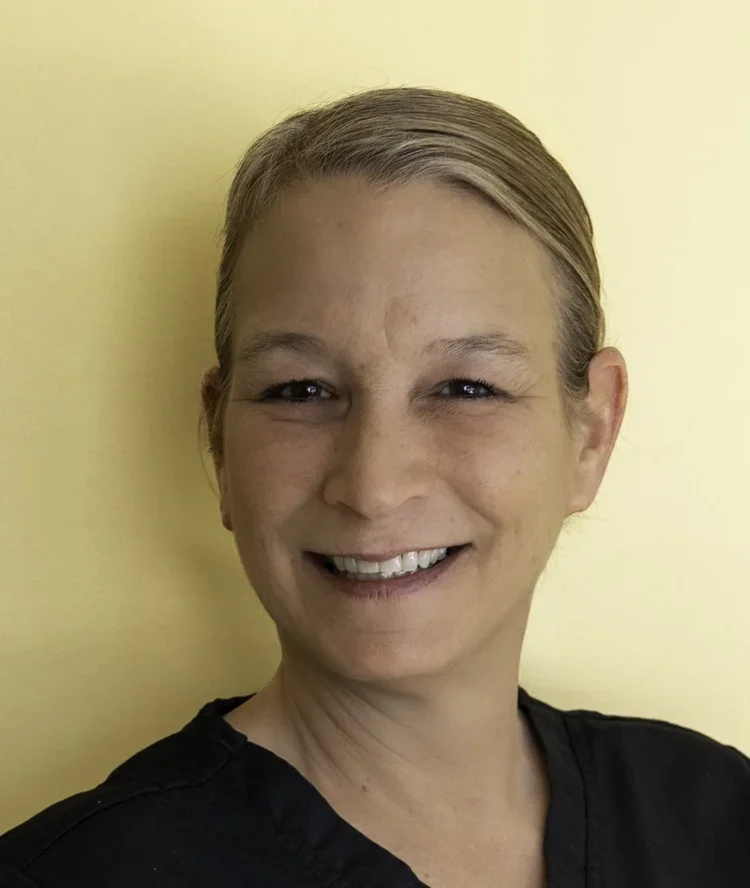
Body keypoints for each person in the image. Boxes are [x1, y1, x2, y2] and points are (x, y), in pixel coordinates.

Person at [1, 86, 748, 888]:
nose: (374, 486)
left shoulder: (718, 818)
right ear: (219, 439)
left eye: (465, 388)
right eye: (300, 391)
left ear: (592, 432)